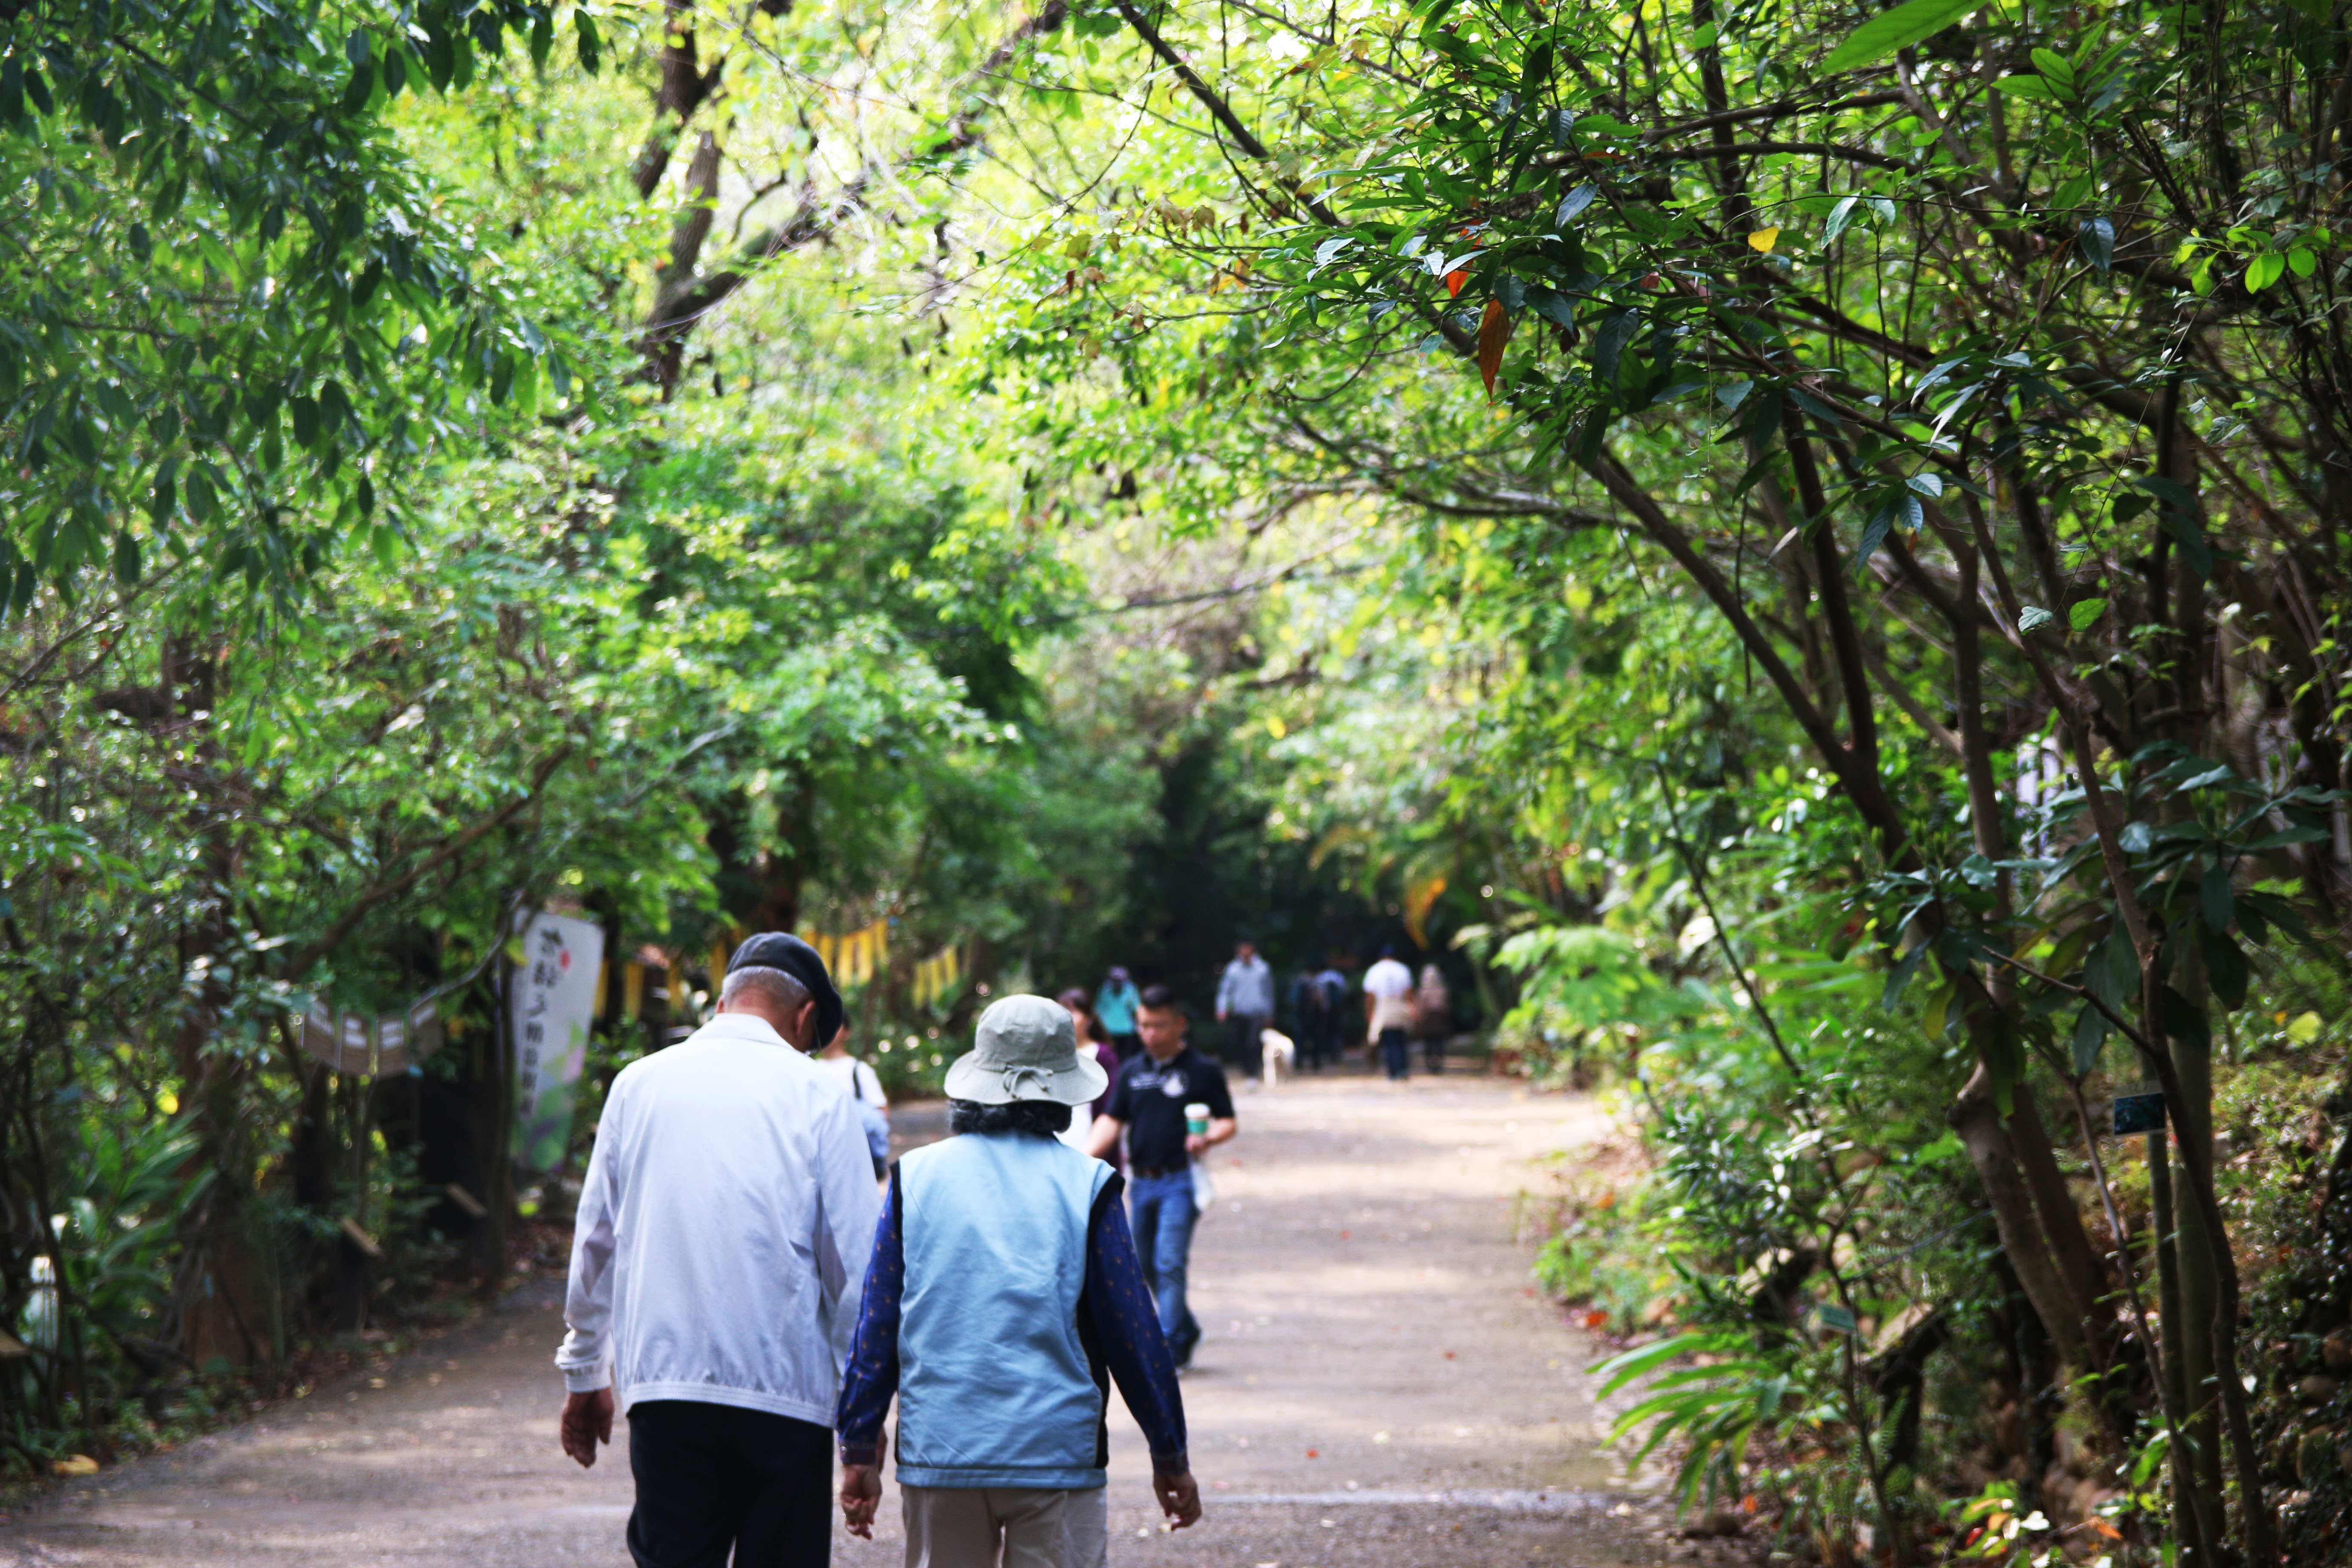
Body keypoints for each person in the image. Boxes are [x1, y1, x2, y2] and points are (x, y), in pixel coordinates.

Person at [834, 995, 1202, 1566]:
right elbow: (1132, 1331)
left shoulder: (916, 1179)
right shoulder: (1088, 1185)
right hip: (1056, 1455)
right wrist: (1170, 1453)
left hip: (942, 1451)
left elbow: (878, 1319)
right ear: (1062, 1090)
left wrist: (860, 1445)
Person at [555, 932, 883, 1568]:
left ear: (724, 1002)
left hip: (665, 1387)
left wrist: (586, 1372)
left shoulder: (637, 1084)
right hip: (786, 1396)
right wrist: (860, 1426)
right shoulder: (819, 1095)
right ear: (807, 1016)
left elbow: (597, 1239)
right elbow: (856, 1273)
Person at [1085, 987, 1235, 1369]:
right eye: (1144, 1026)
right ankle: (1185, 1328)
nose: (1151, 1034)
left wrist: (1208, 1137)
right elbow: (1111, 1120)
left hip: (1181, 1180)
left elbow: (1227, 1121)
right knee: (1146, 1263)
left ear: (1179, 1024)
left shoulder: (1202, 1070)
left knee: (1169, 1261)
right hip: (1142, 1182)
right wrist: (1081, 1159)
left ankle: (1165, 1347)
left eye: (1159, 1025)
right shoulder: (1133, 1071)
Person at [815, 1013, 892, 1179]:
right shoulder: (811, 1069)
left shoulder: (859, 1070)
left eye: (833, 1024)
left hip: (856, 1160)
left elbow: (881, 1113)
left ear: (847, 1032)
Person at [1054, 987, 1124, 1167]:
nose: (1066, 1018)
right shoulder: (1049, 1056)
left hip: (1091, 1155)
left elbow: (1111, 1111)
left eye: (1073, 1012)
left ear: (1090, 1018)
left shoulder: (1104, 1056)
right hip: (1055, 1153)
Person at [1213, 938, 1274, 1066]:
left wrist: (1269, 1014)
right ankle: (1245, 1068)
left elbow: (1269, 993)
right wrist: (1222, 1008)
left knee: (1253, 1043)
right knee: (1240, 1043)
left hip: (1257, 1012)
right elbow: (1225, 991)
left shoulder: (1263, 969)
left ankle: (1253, 1070)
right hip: (1239, 1012)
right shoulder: (1232, 969)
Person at [1363, 945, 1417, 1082]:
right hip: (1399, 1006)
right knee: (1401, 1040)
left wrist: (1369, 1013)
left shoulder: (1374, 970)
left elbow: (1370, 996)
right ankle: (1402, 1069)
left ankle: (1394, 1071)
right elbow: (1409, 993)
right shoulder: (1403, 969)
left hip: (1384, 1008)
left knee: (1389, 1041)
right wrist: (1413, 1009)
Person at [1094, 966, 1142, 1062]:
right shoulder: (1105, 989)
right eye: (1115, 980)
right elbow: (1099, 1009)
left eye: (1120, 980)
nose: (1117, 983)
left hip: (1126, 1030)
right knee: (1110, 1056)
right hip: (1109, 1029)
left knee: (1126, 1057)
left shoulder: (1130, 989)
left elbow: (1137, 1008)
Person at [1416, 962, 1452, 1076]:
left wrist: (1420, 1021)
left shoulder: (1423, 991)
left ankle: (1432, 1064)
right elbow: (1446, 1007)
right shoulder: (1443, 990)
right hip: (1439, 1019)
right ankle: (1437, 1064)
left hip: (1429, 1020)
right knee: (1438, 1043)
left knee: (1429, 1043)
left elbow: (1421, 1008)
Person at [1313, 959, 1351, 1065]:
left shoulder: (1321, 977)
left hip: (1324, 1010)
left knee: (1325, 1032)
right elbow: (1345, 992)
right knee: (1337, 1031)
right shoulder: (1338, 976)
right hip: (1338, 1010)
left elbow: (1317, 995)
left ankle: (1327, 1053)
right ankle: (1337, 1052)